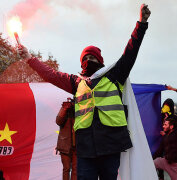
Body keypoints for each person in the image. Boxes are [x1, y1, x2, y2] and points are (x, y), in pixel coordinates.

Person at [18, 4, 150, 179]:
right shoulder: (76, 82)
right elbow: (51, 74)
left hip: (111, 145)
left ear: (100, 61)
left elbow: (130, 52)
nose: (89, 60)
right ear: (81, 64)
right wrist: (29, 58)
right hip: (85, 147)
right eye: (85, 58)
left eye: (92, 57)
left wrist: (141, 23)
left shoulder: (115, 75)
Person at [56, 98, 77, 180]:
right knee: (66, 169)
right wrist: (64, 108)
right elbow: (58, 121)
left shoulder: (79, 110)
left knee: (75, 170)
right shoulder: (66, 109)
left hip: (76, 145)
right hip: (65, 145)